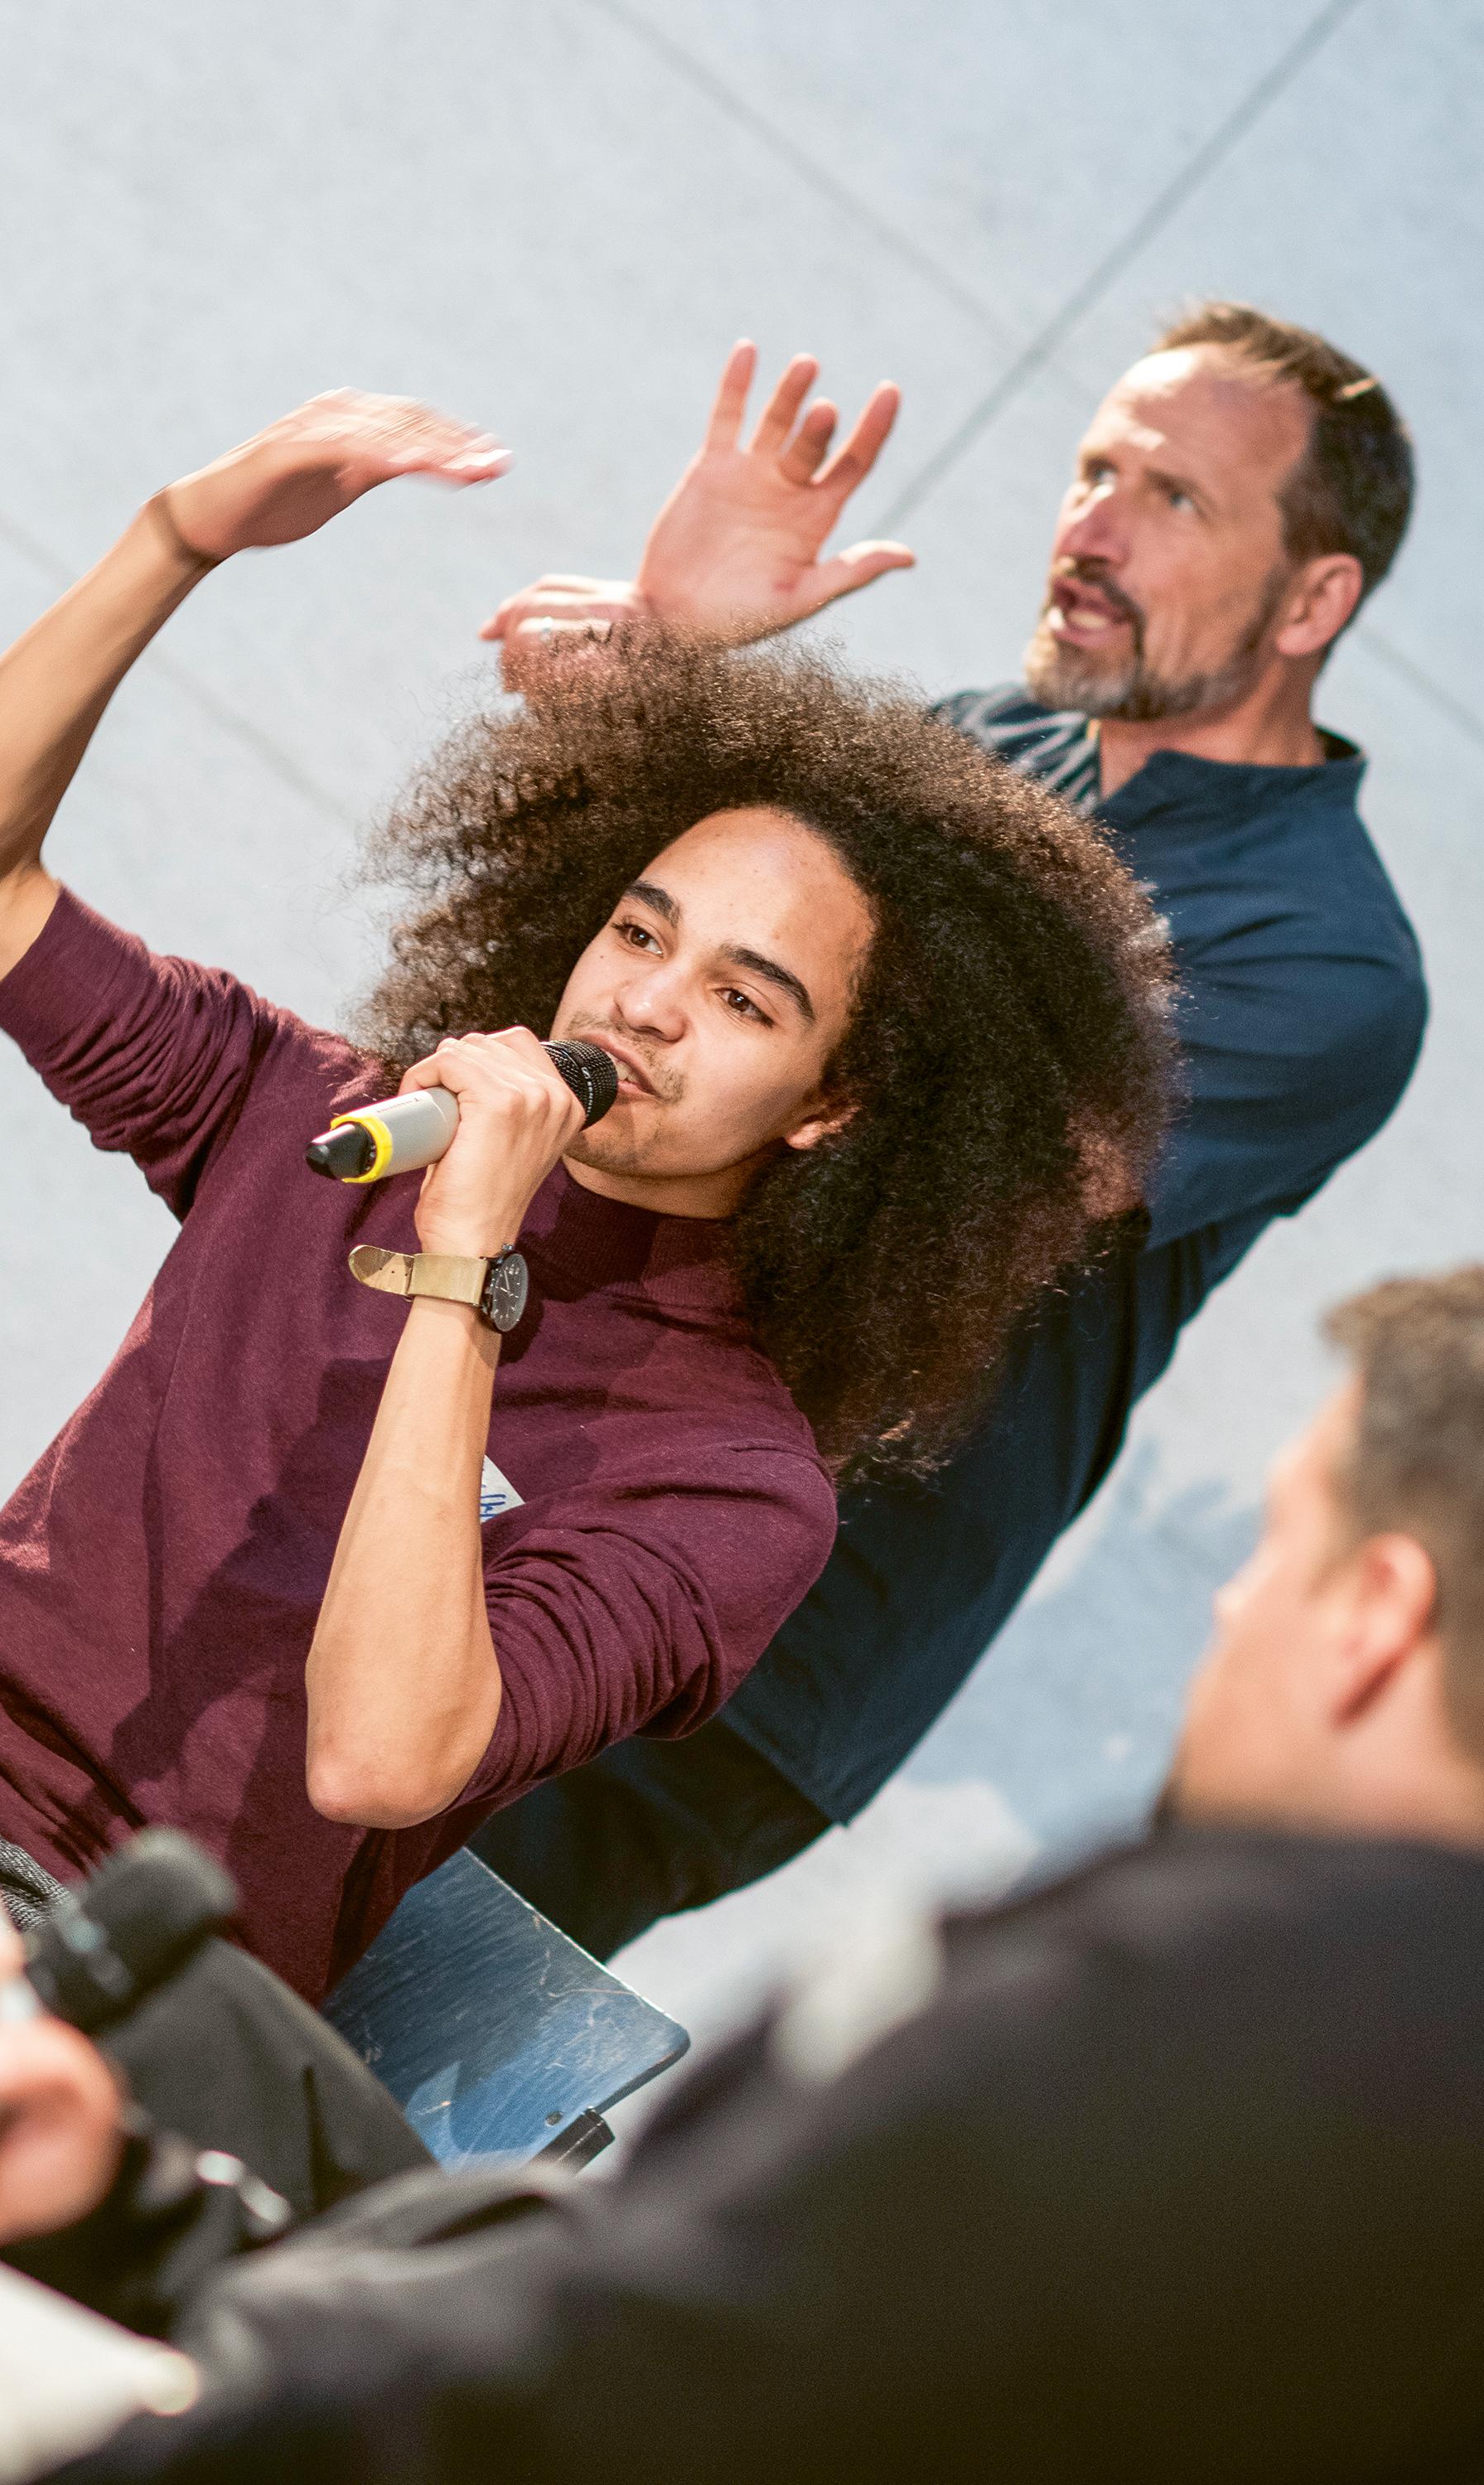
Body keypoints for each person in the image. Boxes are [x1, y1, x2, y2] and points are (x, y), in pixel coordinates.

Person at [0, 389, 1170, 2009]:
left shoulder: (736, 1488)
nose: (647, 1005)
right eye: (637, 931)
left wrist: (462, 1263)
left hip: (89, 1993)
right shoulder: (328, 1116)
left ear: (834, 1109)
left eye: (745, 1001)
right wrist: (178, 536)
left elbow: (383, 1753)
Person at [0, 1264, 1484, 2485]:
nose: (1227, 1610)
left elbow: (569, 2399)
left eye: (1276, 1546)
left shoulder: (1216, 2021)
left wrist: (166, 2332)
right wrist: (132, 2221)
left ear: (1372, 1618)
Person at [471, 303, 1429, 1958]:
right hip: (547, 1478)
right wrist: (653, 675)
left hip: (759, 1646)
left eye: (1175, 498)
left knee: (310, 2055)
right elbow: (653, 994)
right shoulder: (980, 744)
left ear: (1315, 597)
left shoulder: (1329, 960)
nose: (1093, 525)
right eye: (1092, 469)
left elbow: (938, 1155)